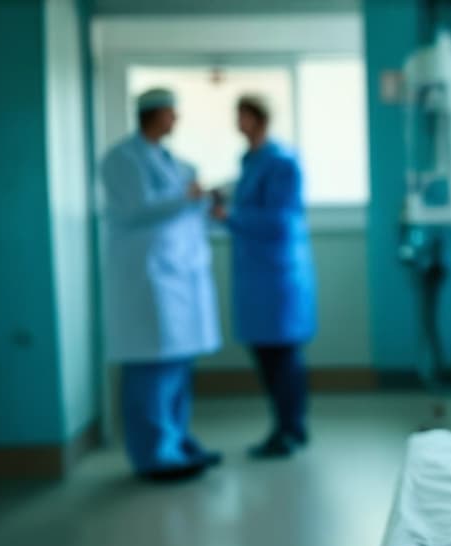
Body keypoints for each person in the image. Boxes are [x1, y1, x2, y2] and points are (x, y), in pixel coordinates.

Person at [100, 88, 222, 481]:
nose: (176, 121)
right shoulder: (121, 159)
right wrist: (187, 196)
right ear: (154, 115)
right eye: (171, 113)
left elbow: (187, 210)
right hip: (146, 277)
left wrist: (204, 201)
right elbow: (135, 208)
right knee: (151, 367)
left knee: (178, 364)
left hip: (178, 274)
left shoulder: (175, 162)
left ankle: (179, 443)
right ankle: (154, 456)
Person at [212, 94, 317, 458]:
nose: (237, 122)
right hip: (256, 273)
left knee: (282, 355)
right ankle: (288, 426)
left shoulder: (282, 161)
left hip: (277, 273)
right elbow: (249, 195)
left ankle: (289, 430)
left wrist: (230, 216)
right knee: (267, 353)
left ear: (258, 118)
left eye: (241, 115)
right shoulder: (251, 160)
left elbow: (279, 221)